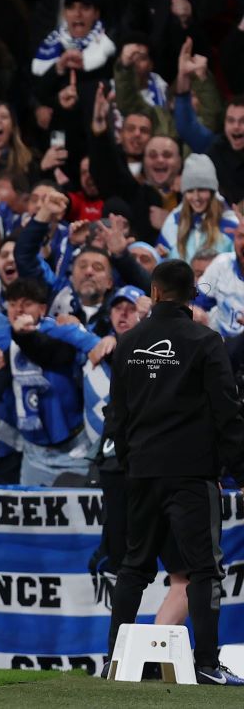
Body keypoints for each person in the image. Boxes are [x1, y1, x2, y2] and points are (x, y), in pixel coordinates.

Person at [105, 259, 244, 686]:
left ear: (154, 291)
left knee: (133, 567)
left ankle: (114, 662)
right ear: (192, 296)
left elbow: (117, 415)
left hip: (142, 471)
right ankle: (205, 663)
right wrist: (235, 467)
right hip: (191, 473)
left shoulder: (128, 343)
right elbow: (227, 412)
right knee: (204, 570)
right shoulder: (205, 341)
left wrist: (132, 461)